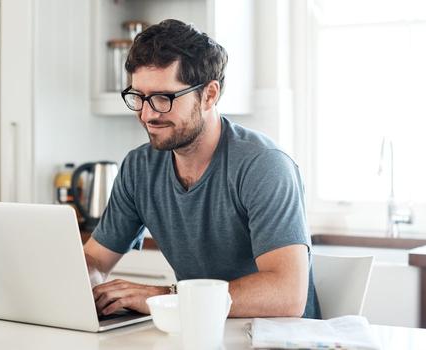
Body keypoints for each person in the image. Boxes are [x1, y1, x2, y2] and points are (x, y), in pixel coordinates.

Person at [84, 19, 320, 319]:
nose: (147, 114)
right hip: (199, 331)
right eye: (139, 97)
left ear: (209, 95)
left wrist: (165, 297)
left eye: (163, 98)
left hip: (274, 338)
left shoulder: (264, 165)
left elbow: (286, 295)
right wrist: (85, 288)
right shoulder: (138, 168)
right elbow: (94, 259)